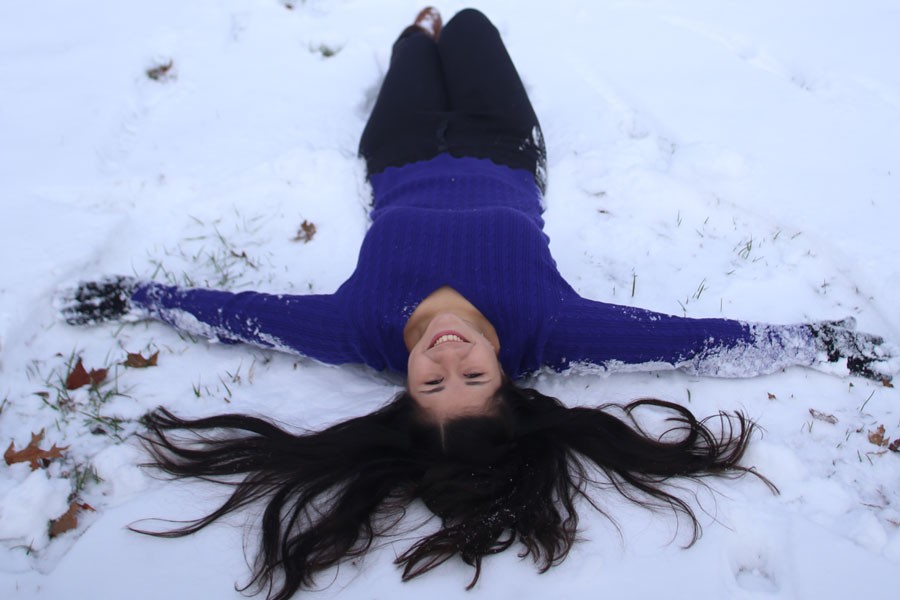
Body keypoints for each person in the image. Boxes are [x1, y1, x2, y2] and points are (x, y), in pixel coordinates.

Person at [60, 7, 895, 600]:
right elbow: (689, 339)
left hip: (395, 152)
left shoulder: (358, 328)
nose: (450, 356)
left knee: (413, 42)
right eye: (473, 376)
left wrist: (140, 294)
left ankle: (414, 33)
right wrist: (819, 340)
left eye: (432, 384)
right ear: (508, 376)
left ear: (405, 392)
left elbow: (238, 311)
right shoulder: (550, 328)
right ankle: (446, 25)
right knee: (473, 22)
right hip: (502, 142)